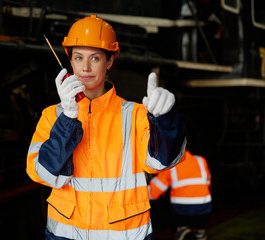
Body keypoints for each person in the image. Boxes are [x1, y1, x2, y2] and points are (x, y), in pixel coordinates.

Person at [26, 14, 187, 240]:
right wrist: (68, 119)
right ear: (69, 61)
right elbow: (42, 173)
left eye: (95, 58)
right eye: (78, 57)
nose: (85, 67)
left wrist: (166, 119)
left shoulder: (135, 114)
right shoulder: (53, 115)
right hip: (65, 234)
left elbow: (161, 162)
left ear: (110, 61)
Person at [148, 150, 212, 240]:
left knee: (174, 218)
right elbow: (208, 183)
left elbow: (155, 191)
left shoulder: (171, 163)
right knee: (199, 224)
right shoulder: (201, 160)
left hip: (182, 209)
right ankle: (200, 233)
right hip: (204, 208)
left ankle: (182, 230)